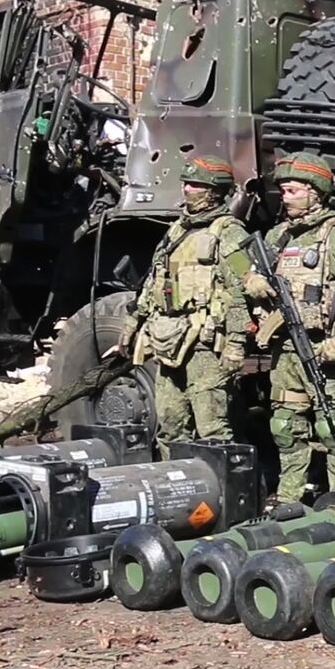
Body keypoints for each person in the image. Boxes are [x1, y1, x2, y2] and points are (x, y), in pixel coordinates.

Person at [244, 152, 335, 501]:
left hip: (320, 348)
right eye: (283, 191)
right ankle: (289, 497)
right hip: (285, 350)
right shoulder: (278, 236)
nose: (285, 198)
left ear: (315, 193)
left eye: (293, 191)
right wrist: (253, 282)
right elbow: (250, 272)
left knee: (331, 428)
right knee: (285, 426)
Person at [119, 155, 251, 457]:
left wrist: (235, 345)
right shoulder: (177, 230)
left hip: (204, 344)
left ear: (214, 191)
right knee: (170, 423)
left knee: (212, 428)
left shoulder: (228, 232)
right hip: (168, 340)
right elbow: (153, 283)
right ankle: (177, 485)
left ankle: (223, 496)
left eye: (194, 185)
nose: (186, 190)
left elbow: (241, 291)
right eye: (185, 183)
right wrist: (131, 326)